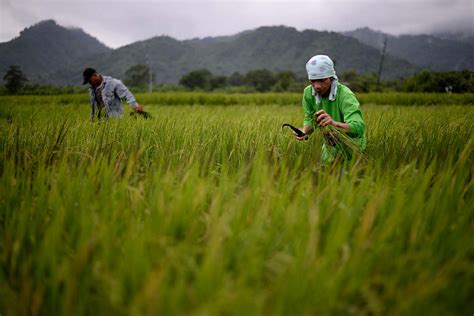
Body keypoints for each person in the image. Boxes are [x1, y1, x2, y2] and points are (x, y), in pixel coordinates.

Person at [294, 55, 366, 164]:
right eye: (313, 81)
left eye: (322, 80)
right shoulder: (308, 93)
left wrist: (333, 123)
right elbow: (310, 118)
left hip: (353, 151)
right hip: (329, 149)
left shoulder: (345, 95)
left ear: (331, 78)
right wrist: (304, 131)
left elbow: (358, 128)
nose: (317, 86)